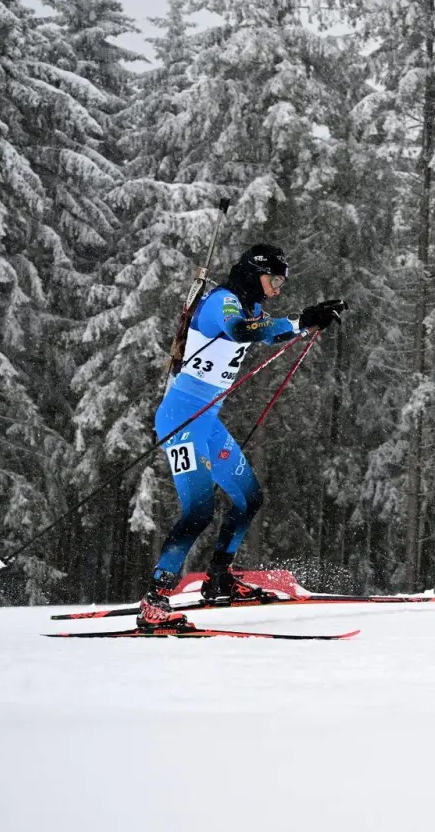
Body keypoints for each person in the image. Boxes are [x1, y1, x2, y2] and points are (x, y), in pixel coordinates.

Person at [138, 244, 347, 631]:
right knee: (198, 510)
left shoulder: (250, 308)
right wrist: (298, 321)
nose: (277, 289)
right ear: (255, 273)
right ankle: (155, 600)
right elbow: (239, 330)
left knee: (249, 497)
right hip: (181, 418)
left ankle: (219, 578)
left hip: (207, 422)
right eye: (274, 280)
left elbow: (264, 334)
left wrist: (310, 320)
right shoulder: (223, 302)